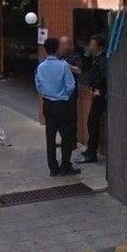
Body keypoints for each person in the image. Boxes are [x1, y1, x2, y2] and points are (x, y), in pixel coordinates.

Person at [35, 37, 80, 177]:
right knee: (66, 136)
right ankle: (65, 166)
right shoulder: (63, 66)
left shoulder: (41, 66)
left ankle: (53, 168)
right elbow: (71, 86)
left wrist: (47, 93)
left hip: (48, 104)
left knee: (50, 136)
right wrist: (64, 95)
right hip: (62, 104)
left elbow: (38, 85)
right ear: (57, 48)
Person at [77, 34, 107, 163]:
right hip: (97, 93)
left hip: (101, 96)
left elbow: (104, 77)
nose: (90, 47)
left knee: (93, 123)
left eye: (93, 45)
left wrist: (100, 91)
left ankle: (91, 152)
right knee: (91, 122)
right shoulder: (96, 57)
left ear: (99, 46)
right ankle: (90, 150)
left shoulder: (102, 60)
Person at [57, 36, 82, 166]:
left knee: (71, 118)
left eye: (65, 44)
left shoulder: (74, 57)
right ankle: (64, 140)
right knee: (62, 118)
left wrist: (67, 66)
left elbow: (79, 70)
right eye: (61, 44)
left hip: (71, 93)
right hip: (60, 93)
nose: (63, 47)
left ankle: (72, 142)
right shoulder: (58, 57)